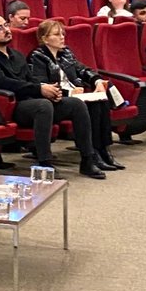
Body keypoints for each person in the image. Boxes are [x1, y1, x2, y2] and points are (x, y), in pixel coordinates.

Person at [0, 13, 101, 177]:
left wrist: (49, 90)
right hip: (9, 106)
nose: (6, 30)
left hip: (31, 101)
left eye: (6, 25)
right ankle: (44, 163)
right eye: (0, 28)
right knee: (43, 105)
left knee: (76, 104)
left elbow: (31, 79)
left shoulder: (16, 55)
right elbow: (2, 83)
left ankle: (87, 160)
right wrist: (39, 90)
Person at [28, 20, 125, 176]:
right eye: (57, 34)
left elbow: (83, 69)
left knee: (101, 99)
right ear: (45, 39)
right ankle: (91, 155)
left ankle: (103, 150)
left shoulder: (66, 53)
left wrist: (97, 80)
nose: (62, 37)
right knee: (86, 104)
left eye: (63, 34)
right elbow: (42, 85)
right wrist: (70, 94)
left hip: (76, 95)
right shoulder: (37, 57)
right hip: (57, 100)